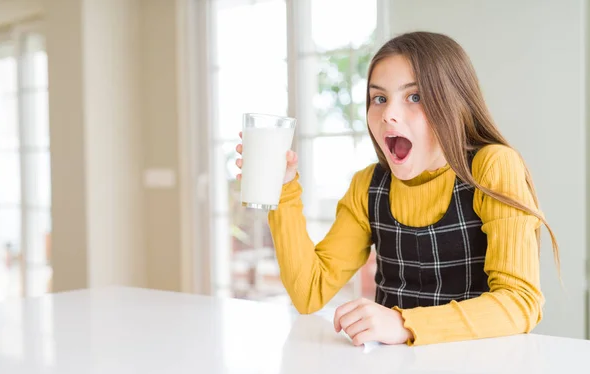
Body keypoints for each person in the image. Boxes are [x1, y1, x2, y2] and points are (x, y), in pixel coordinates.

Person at [235, 31, 559, 346]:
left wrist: (404, 323)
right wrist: (285, 188)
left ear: (454, 102)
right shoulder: (369, 186)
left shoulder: (493, 166)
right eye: (379, 98)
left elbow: (520, 302)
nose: (388, 114)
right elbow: (309, 292)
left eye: (414, 97)